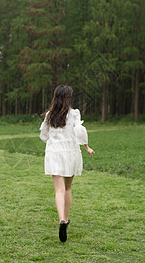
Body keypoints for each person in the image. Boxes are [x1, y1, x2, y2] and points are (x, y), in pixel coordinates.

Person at [39, 85, 95, 243]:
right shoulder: (74, 113)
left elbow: (44, 135)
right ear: (68, 98)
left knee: (59, 189)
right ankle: (66, 219)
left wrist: (54, 142)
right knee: (68, 188)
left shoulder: (49, 115)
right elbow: (80, 130)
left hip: (54, 153)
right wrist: (86, 147)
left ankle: (62, 220)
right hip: (70, 153)